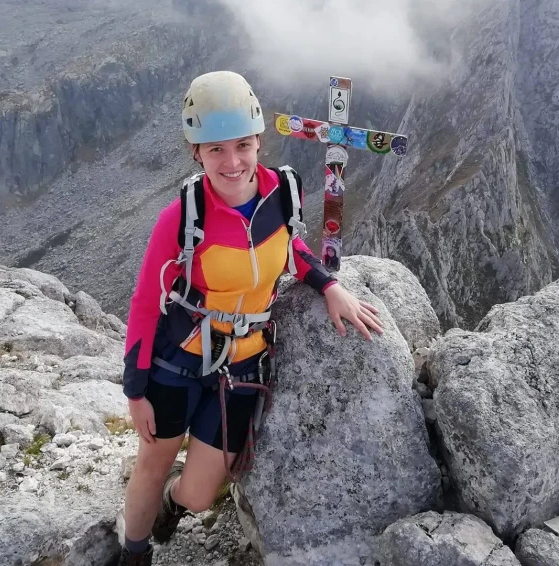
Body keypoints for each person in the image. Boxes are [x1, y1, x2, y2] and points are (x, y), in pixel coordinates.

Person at [118, 70, 384, 566]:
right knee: (152, 465)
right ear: (195, 151)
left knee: (197, 495)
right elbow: (141, 303)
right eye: (215, 149)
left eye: (242, 144)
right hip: (176, 363)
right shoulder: (181, 216)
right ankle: (133, 554)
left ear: (260, 140)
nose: (232, 161)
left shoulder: (281, 193)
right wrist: (135, 391)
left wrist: (329, 285)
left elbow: (290, 247)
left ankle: (174, 506)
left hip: (241, 369)